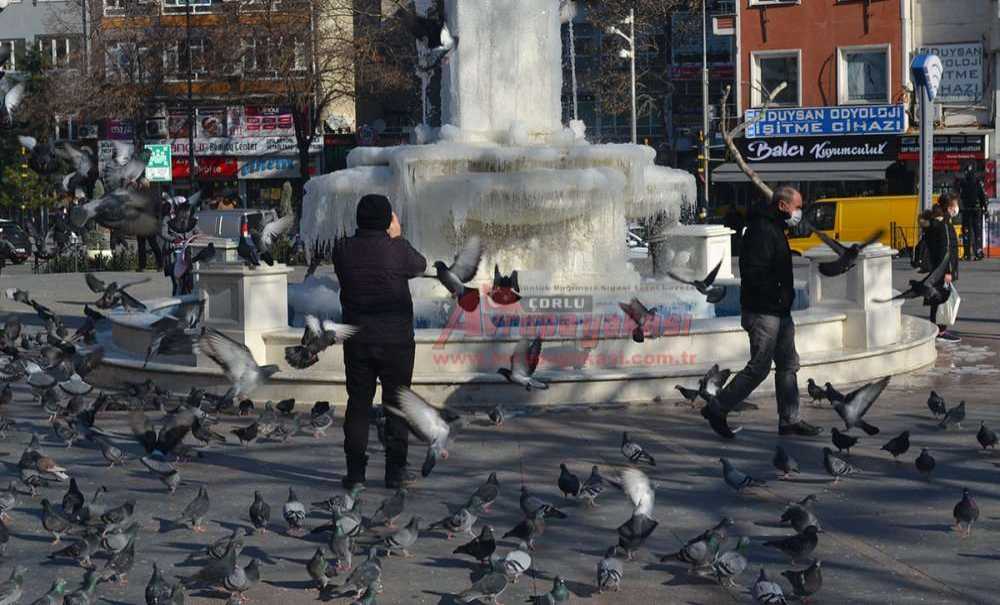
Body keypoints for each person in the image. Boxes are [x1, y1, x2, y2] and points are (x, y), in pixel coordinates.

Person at [709, 185, 822, 437]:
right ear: (783, 205)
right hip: (763, 311)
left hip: (778, 311)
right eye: (797, 207)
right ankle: (718, 407)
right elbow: (755, 273)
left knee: (788, 364)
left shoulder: (775, 227)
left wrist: (783, 300)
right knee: (759, 368)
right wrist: (777, 296)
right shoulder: (761, 230)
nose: (799, 212)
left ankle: (790, 420)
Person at [333, 194, 428, 489]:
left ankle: (355, 474)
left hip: (358, 342)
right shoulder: (396, 250)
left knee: (358, 405)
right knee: (396, 405)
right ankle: (395, 472)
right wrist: (397, 237)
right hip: (396, 342)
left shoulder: (342, 249)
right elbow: (420, 265)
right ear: (388, 220)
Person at [925, 193, 961, 342]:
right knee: (940, 299)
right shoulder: (944, 224)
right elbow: (945, 250)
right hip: (941, 269)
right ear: (950, 207)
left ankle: (937, 329)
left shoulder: (940, 222)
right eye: (956, 205)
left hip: (937, 268)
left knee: (937, 299)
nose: (957, 208)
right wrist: (947, 271)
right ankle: (939, 331)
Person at [958, 164, 987, 260]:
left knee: (967, 231)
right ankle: (977, 252)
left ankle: (968, 254)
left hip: (968, 210)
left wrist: (960, 208)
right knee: (976, 231)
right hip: (974, 210)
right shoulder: (977, 182)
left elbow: (960, 197)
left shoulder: (963, 183)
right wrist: (985, 208)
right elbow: (982, 197)